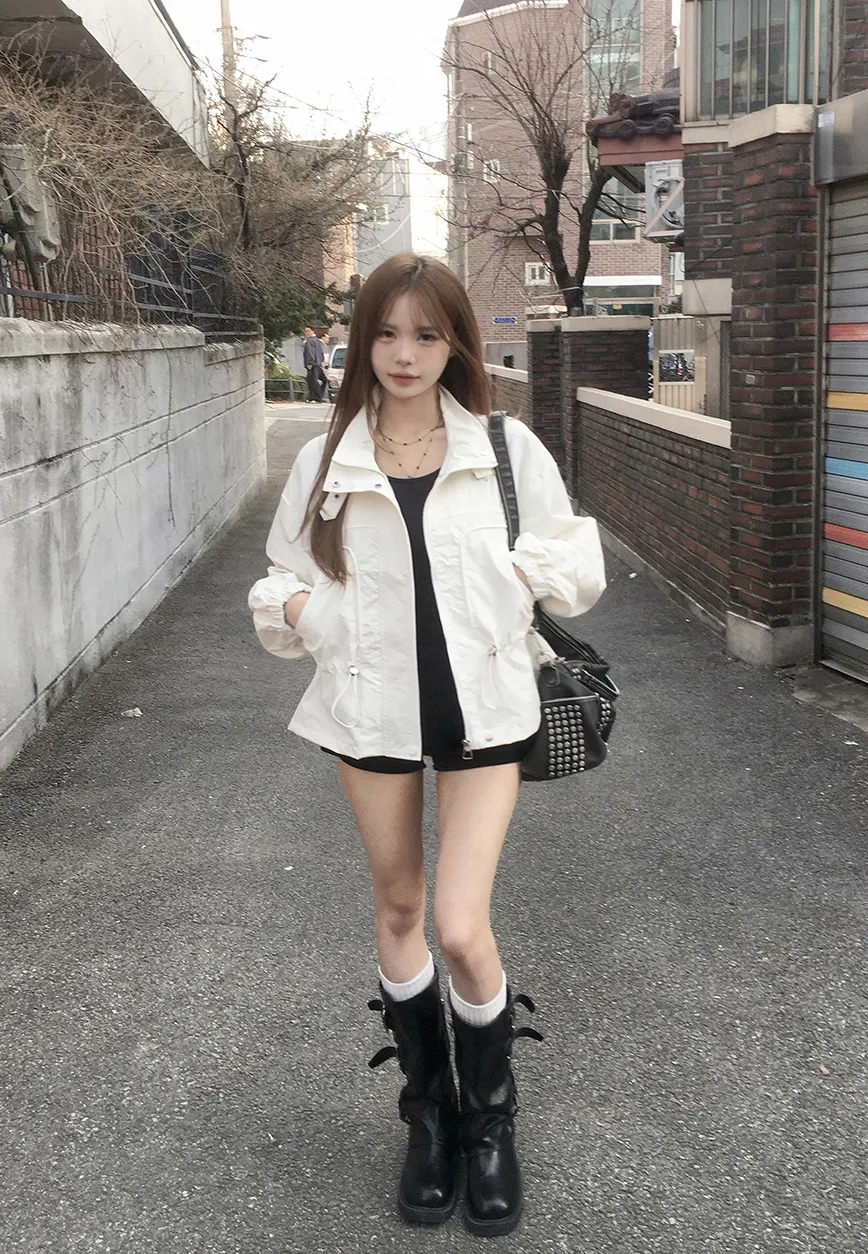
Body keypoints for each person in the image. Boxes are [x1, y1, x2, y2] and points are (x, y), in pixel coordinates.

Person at [248, 253, 605, 1236]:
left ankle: (490, 1121)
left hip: (483, 709)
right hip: (369, 712)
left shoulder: (503, 448)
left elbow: (576, 558)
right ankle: (429, 1118)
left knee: (458, 925)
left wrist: (518, 579)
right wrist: (310, 616)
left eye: (427, 334)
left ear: (456, 344)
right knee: (400, 906)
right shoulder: (329, 459)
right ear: (364, 339)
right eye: (387, 332)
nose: (404, 353)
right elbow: (279, 580)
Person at [302, 325, 326, 402]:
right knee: (314, 380)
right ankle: (313, 397)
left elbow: (310, 352)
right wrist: (322, 360)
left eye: (308, 331)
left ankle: (316, 397)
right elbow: (321, 352)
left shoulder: (310, 341)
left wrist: (310, 362)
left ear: (313, 331)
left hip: (313, 364)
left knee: (313, 381)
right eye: (306, 331)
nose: (307, 333)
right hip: (317, 363)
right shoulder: (317, 340)